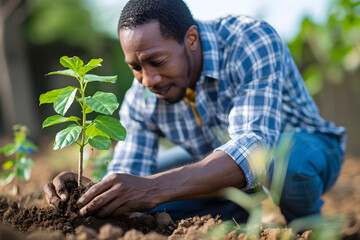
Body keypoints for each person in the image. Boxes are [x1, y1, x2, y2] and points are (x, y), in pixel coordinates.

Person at [44, 0, 347, 223]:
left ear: (190, 39)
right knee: (137, 196)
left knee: (284, 162)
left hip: (304, 149)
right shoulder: (141, 96)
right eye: (135, 67)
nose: (148, 80)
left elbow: (256, 148)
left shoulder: (249, 41)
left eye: (157, 62)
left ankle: (308, 227)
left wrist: (154, 188)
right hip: (217, 167)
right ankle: (236, 212)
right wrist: (91, 193)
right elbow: (130, 173)